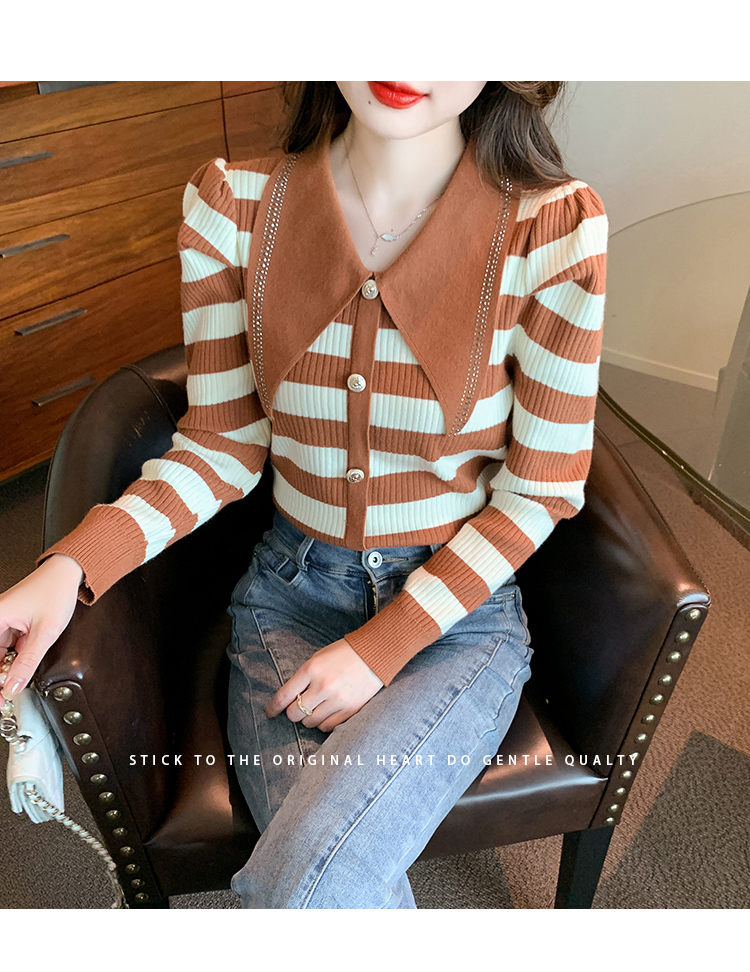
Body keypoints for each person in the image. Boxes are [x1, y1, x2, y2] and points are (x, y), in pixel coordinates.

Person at [0, 81, 608, 908]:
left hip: (460, 621)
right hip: (289, 603)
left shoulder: (554, 230)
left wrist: (383, 646)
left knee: (307, 888)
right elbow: (220, 447)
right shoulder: (234, 208)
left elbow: (541, 489)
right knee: (316, 892)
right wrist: (71, 566)